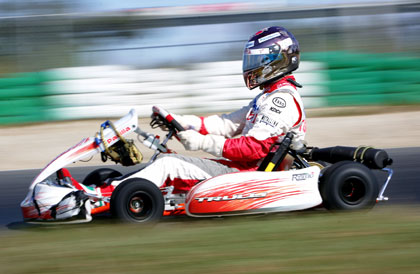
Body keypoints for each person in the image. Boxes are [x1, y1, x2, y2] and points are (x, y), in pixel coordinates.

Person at [111, 26, 306, 193]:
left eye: (259, 61)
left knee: (169, 164)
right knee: (168, 160)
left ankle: (110, 193)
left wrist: (202, 142)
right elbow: (227, 125)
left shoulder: (281, 100)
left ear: (278, 61)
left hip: (251, 177)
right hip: (241, 170)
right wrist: (184, 122)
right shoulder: (268, 96)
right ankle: (113, 186)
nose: (252, 67)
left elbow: (252, 149)